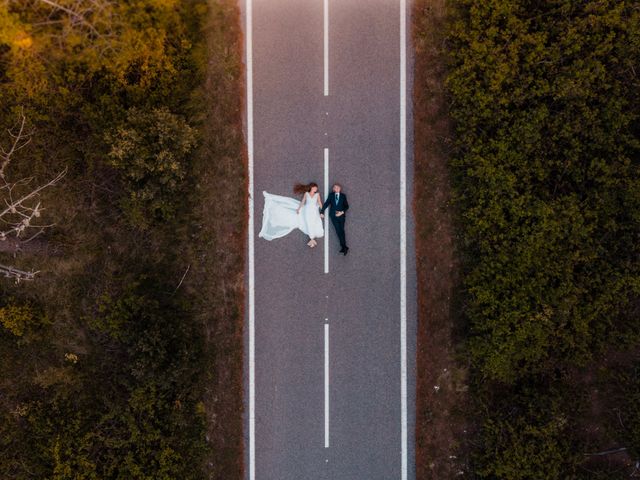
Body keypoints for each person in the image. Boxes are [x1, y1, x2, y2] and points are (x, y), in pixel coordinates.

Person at [258, 183, 324, 247]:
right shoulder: (306, 194)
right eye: (315, 187)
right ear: (311, 187)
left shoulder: (317, 195)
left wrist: (322, 211)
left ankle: (312, 239)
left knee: (313, 222)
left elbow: (320, 203)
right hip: (307, 210)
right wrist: (298, 209)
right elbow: (303, 202)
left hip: (314, 211)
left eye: (316, 188)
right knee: (308, 222)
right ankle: (312, 239)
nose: (316, 189)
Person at [320, 183, 349, 255]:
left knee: (341, 231)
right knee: (338, 231)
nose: (335, 188)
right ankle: (344, 247)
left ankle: (344, 247)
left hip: (341, 216)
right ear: (333, 189)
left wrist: (341, 212)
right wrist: (322, 211)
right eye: (334, 187)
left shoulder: (343, 196)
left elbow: (347, 206)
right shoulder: (331, 195)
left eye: (337, 187)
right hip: (333, 216)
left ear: (340, 189)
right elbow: (326, 203)